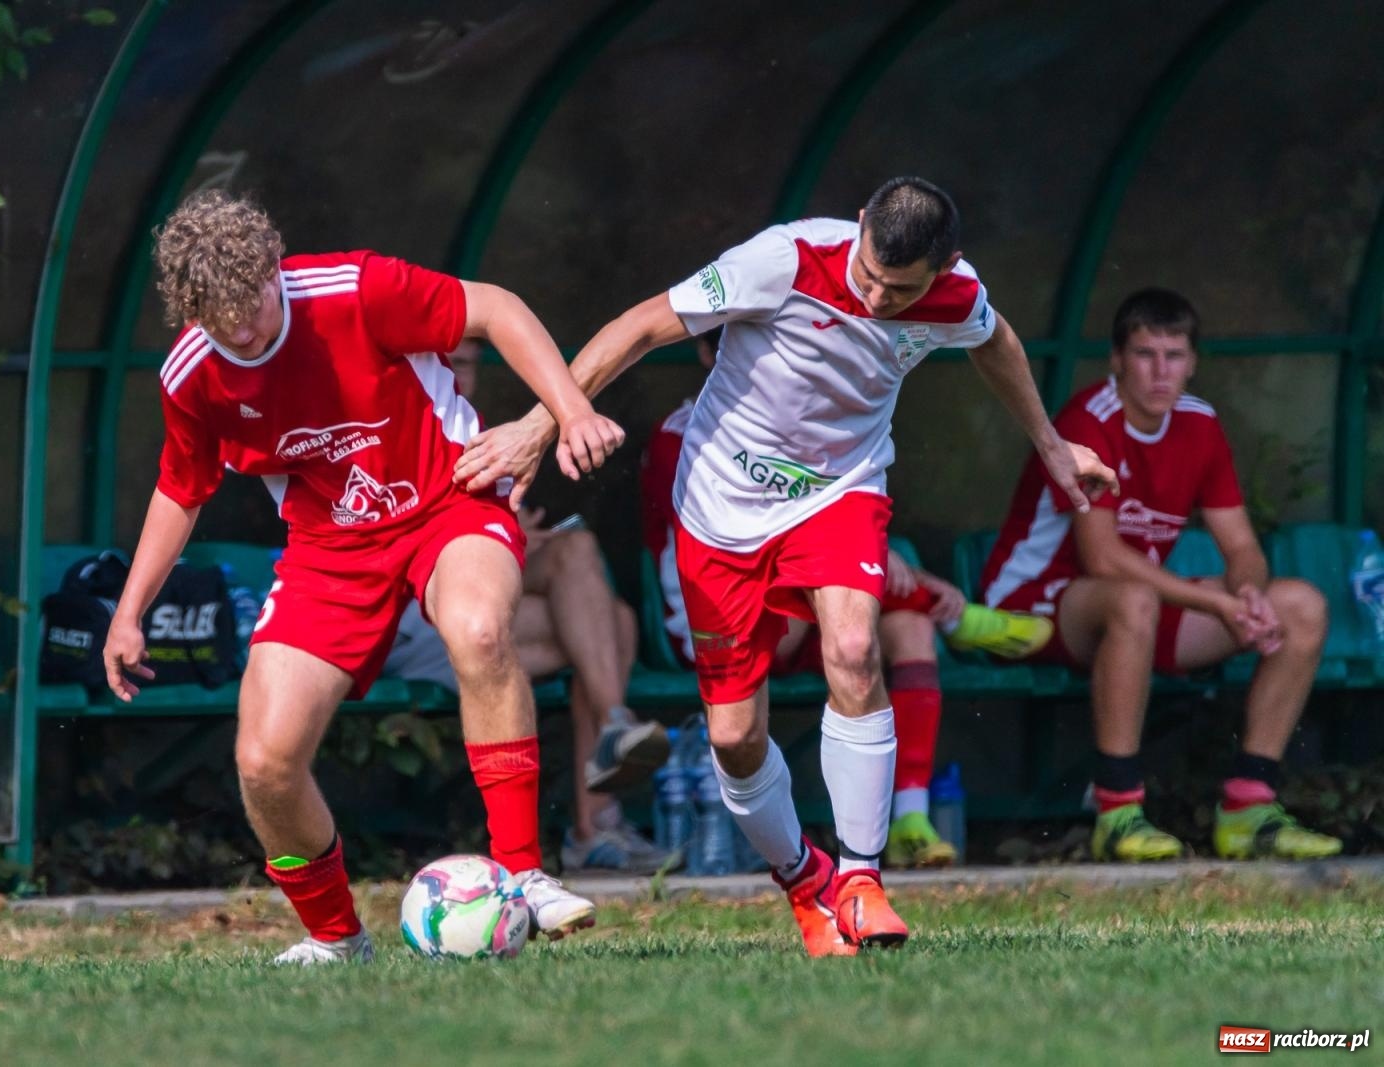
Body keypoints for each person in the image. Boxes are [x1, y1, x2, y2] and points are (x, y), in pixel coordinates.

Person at [458, 177, 1118, 956]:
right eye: (867, 273)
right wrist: (546, 420)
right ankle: (807, 885)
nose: (872, 295)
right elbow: (640, 327)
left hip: (839, 494)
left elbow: (997, 339)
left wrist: (1050, 444)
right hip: (719, 511)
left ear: (944, 270)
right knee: (735, 736)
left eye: (897, 289)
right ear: (862, 221)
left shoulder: (955, 295)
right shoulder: (783, 258)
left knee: (853, 647)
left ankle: (863, 879)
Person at [102, 190, 626, 966]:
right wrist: (129, 610)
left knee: (481, 630)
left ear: (277, 269)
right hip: (328, 549)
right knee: (263, 760)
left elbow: (499, 310)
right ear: (192, 312)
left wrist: (569, 410)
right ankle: (337, 937)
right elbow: (183, 486)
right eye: (222, 316)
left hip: (447, 499)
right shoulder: (193, 375)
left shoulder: (355, 290)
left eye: (255, 301)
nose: (245, 326)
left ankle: (521, 874)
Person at [641, 329, 1054, 868]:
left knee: (900, 629)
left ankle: (909, 817)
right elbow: (748, 539)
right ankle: (949, 610)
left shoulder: (803, 420)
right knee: (739, 730)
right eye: (738, 348)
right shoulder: (683, 433)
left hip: (796, 600)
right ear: (706, 355)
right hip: (716, 611)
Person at [979, 287, 1340, 862]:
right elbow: (1102, 558)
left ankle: (1249, 805)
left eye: (1174, 356)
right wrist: (1217, 606)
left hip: (1131, 606)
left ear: (1193, 364)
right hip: (1026, 605)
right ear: (1118, 361)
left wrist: (1245, 593)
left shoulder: (1199, 425)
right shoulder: (1090, 418)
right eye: (1145, 354)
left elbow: (1241, 543)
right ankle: (1118, 812)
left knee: (1300, 606)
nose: (1159, 372)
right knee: (1133, 600)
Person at [383, 341, 673, 875]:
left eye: (465, 362)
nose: (453, 373)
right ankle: (595, 821)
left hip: (481, 595)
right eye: (443, 361)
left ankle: (611, 735)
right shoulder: (392, 420)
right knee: (610, 629)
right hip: (410, 613)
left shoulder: (476, 429)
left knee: (589, 569)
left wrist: (507, 540)